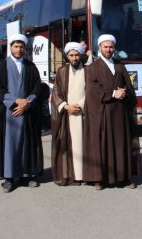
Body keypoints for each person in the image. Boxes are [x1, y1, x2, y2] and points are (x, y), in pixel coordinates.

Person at [84, 34, 140, 190]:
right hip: (102, 114)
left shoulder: (120, 66)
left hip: (120, 114)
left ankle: (125, 177)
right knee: (103, 145)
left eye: (111, 47)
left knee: (122, 145)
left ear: (114, 48)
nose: (108, 50)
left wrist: (124, 92)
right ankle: (101, 179)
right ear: (100, 48)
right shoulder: (93, 68)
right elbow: (92, 91)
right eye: (105, 47)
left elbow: (129, 87)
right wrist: (113, 94)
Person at [0, 34, 44, 193]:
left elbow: (37, 88)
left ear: (25, 49)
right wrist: (15, 102)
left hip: (26, 113)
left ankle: (27, 175)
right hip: (8, 112)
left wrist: (27, 103)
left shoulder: (30, 66)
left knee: (27, 144)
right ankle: (9, 177)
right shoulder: (1, 66)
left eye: (21, 47)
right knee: (9, 145)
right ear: (10, 47)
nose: (19, 49)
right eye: (16, 46)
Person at [50, 42, 87, 186]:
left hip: (84, 113)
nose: (74, 58)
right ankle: (70, 176)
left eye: (77, 55)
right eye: (71, 55)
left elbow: (91, 91)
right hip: (66, 114)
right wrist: (66, 106)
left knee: (83, 145)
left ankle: (83, 176)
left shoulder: (88, 70)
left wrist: (81, 105)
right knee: (68, 145)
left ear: (81, 55)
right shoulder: (61, 71)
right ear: (67, 56)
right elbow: (56, 92)